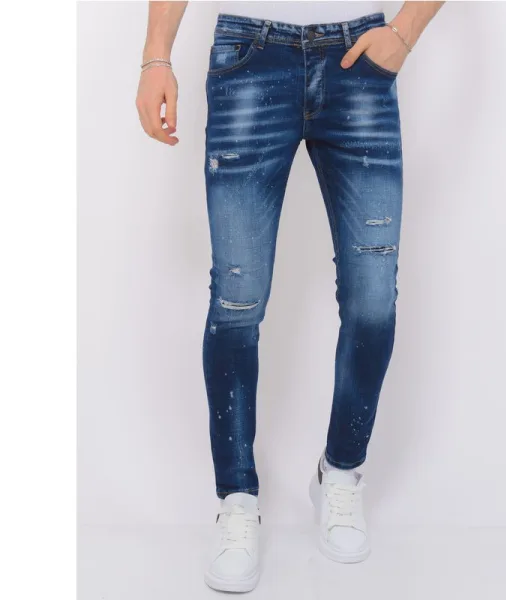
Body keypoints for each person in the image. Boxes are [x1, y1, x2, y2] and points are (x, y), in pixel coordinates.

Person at [136, 1, 444, 593]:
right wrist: (156, 56)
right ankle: (237, 499)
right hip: (248, 56)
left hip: (360, 60)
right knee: (238, 298)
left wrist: (404, 32)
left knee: (372, 296)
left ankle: (340, 473)